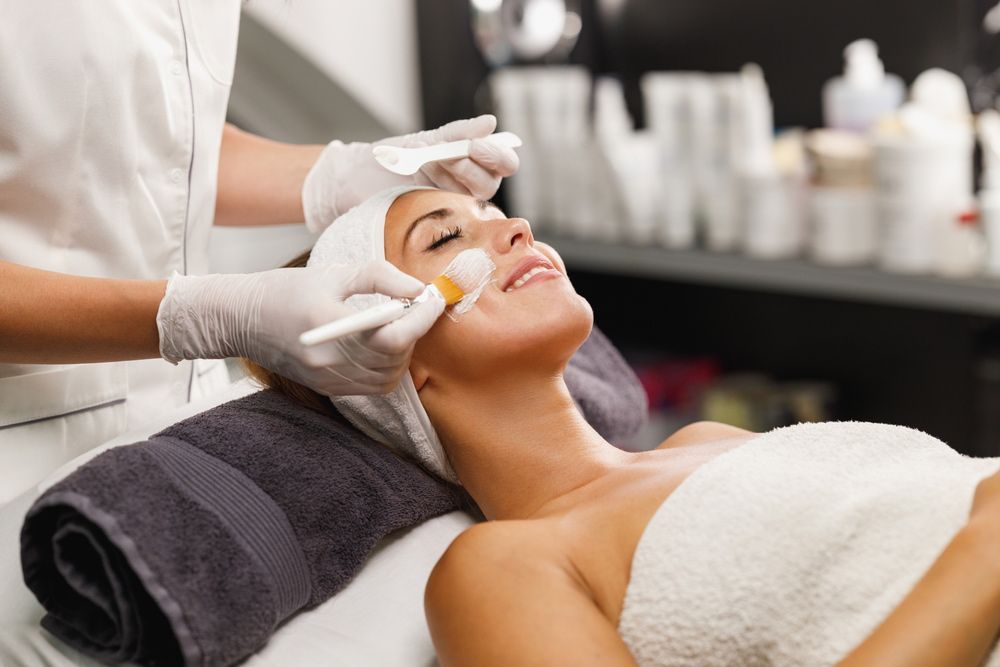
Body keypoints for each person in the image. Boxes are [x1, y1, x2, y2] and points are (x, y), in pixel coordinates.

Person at [249, 186, 1000, 666]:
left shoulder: (703, 442)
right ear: (392, 359)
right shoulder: (501, 568)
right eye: (444, 239)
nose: (515, 226)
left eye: (493, 212)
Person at [0, 2, 518, 501]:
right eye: (445, 238)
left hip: (189, 426)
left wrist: (339, 175)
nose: (519, 231)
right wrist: (204, 317)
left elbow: (160, 138)